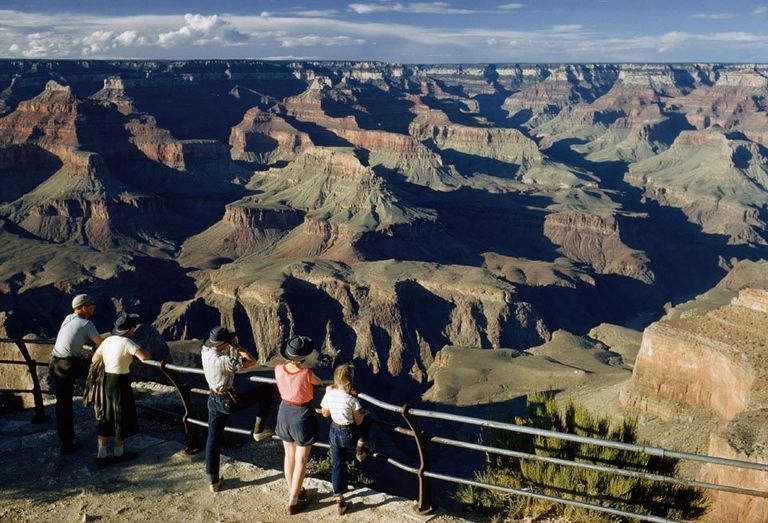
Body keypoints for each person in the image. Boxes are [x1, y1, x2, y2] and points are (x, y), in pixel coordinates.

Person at [201, 325, 275, 493]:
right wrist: (236, 346)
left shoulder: (205, 351)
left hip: (213, 399)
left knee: (213, 439)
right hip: (227, 400)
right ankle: (258, 429)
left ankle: (213, 480)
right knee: (267, 390)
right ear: (223, 343)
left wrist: (227, 342)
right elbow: (251, 361)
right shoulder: (224, 361)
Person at [91, 313, 150, 465]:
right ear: (131, 329)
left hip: (107, 380)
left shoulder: (107, 341)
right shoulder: (127, 342)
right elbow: (144, 357)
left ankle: (101, 455)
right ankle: (118, 454)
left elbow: (94, 359)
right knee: (120, 416)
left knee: (106, 415)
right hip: (120, 381)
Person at [49, 293, 104, 454]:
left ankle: (66, 438)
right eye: (91, 305)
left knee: (62, 403)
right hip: (67, 366)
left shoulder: (68, 318)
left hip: (55, 363)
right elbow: (101, 344)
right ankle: (68, 443)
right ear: (83, 307)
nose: (94, 307)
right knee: (65, 404)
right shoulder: (87, 324)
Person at [275, 336, 322, 515]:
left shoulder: (278, 369)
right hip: (301, 415)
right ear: (304, 357)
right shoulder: (306, 374)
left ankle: (295, 491)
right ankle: (293, 501)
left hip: (284, 411)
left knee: (289, 456)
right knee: (301, 459)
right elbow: (318, 382)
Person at [320, 364, 373, 515]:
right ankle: (360, 448)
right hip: (348, 434)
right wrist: (363, 413)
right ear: (350, 382)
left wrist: (328, 393)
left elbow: (324, 413)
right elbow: (358, 422)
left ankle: (340, 500)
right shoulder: (351, 400)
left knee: (337, 464)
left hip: (333, 432)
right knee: (368, 418)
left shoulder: (330, 394)